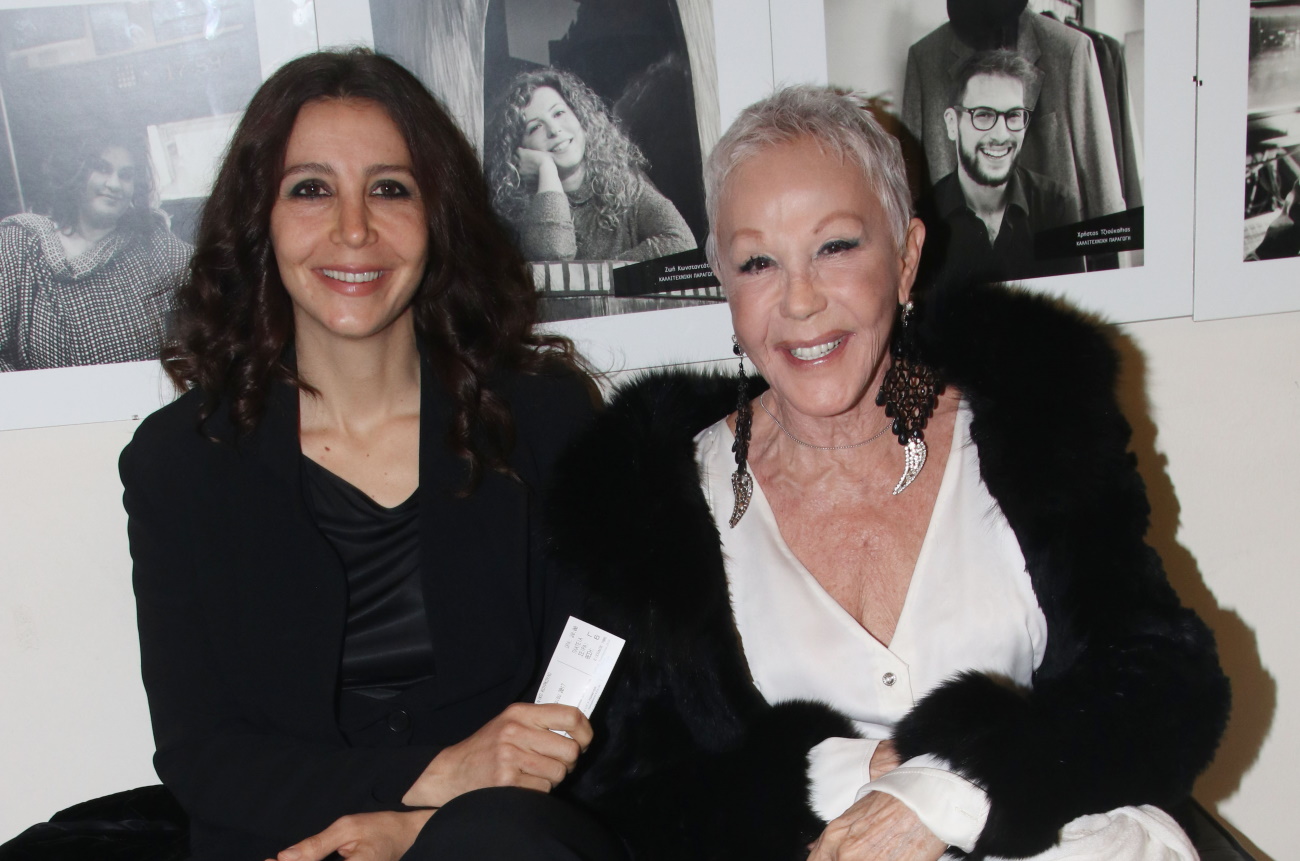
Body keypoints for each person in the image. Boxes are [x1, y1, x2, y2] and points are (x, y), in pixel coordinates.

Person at [546, 86, 1229, 860]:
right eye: (758, 262)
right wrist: (847, 771)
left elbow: (1167, 684)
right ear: (723, 284)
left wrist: (945, 791)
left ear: (905, 258)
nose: (800, 300)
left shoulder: (1033, 424)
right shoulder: (656, 505)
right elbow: (631, 798)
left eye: (835, 247)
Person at [120, 49, 624, 861]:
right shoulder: (178, 463)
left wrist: (429, 828)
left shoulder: (542, 418)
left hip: (509, 838)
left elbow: (602, 682)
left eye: (390, 189)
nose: (353, 229)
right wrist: (431, 777)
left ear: (437, 215)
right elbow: (201, 753)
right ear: (260, 220)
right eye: (310, 189)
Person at [903, 0, 1125, 222]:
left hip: (1051, 237)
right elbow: (908, 192)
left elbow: (1103, 188)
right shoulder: (924, 59)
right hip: (958, 238)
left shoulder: (1070, 50)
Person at [0, 130, 191, 371]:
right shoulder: (20, 243)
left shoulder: (156, 245)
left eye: (126, 175)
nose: (114, 184)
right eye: (102, 169)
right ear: (76, 173)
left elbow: (214, 280)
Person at [484, 67, 695, 263]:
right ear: (519, 149)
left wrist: (598, 276)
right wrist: (546, 169)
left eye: (558, 113)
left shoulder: (625, 183)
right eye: (535, 128)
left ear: (580, 118)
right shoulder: (520, 208)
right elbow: (554, 259)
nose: (554, 130)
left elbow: (682, 244)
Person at [930, 50, 1085, 282]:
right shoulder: (924, 219)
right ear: (953, 124)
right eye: (983, 115)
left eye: (1013, 115)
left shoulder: (1058, 208)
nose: (1001, 135)